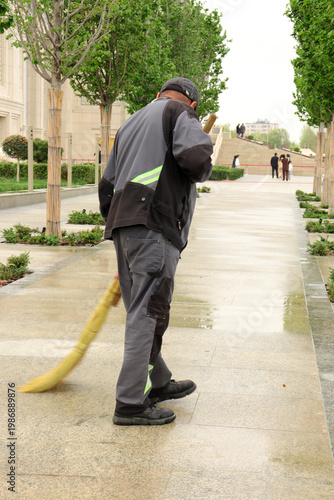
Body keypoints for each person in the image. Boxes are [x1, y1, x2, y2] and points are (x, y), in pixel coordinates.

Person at [98, 77, 213, 426]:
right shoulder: (181, 114)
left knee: (142, 310)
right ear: (192, 103)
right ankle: (131, 403)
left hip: (125, 224)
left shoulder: (132, 120)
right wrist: (205, 149)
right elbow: (195, 161)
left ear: (158, 94)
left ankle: (158, 383)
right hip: (154, 225)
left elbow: (107, 184)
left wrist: (123, 228)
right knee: (149, 314)